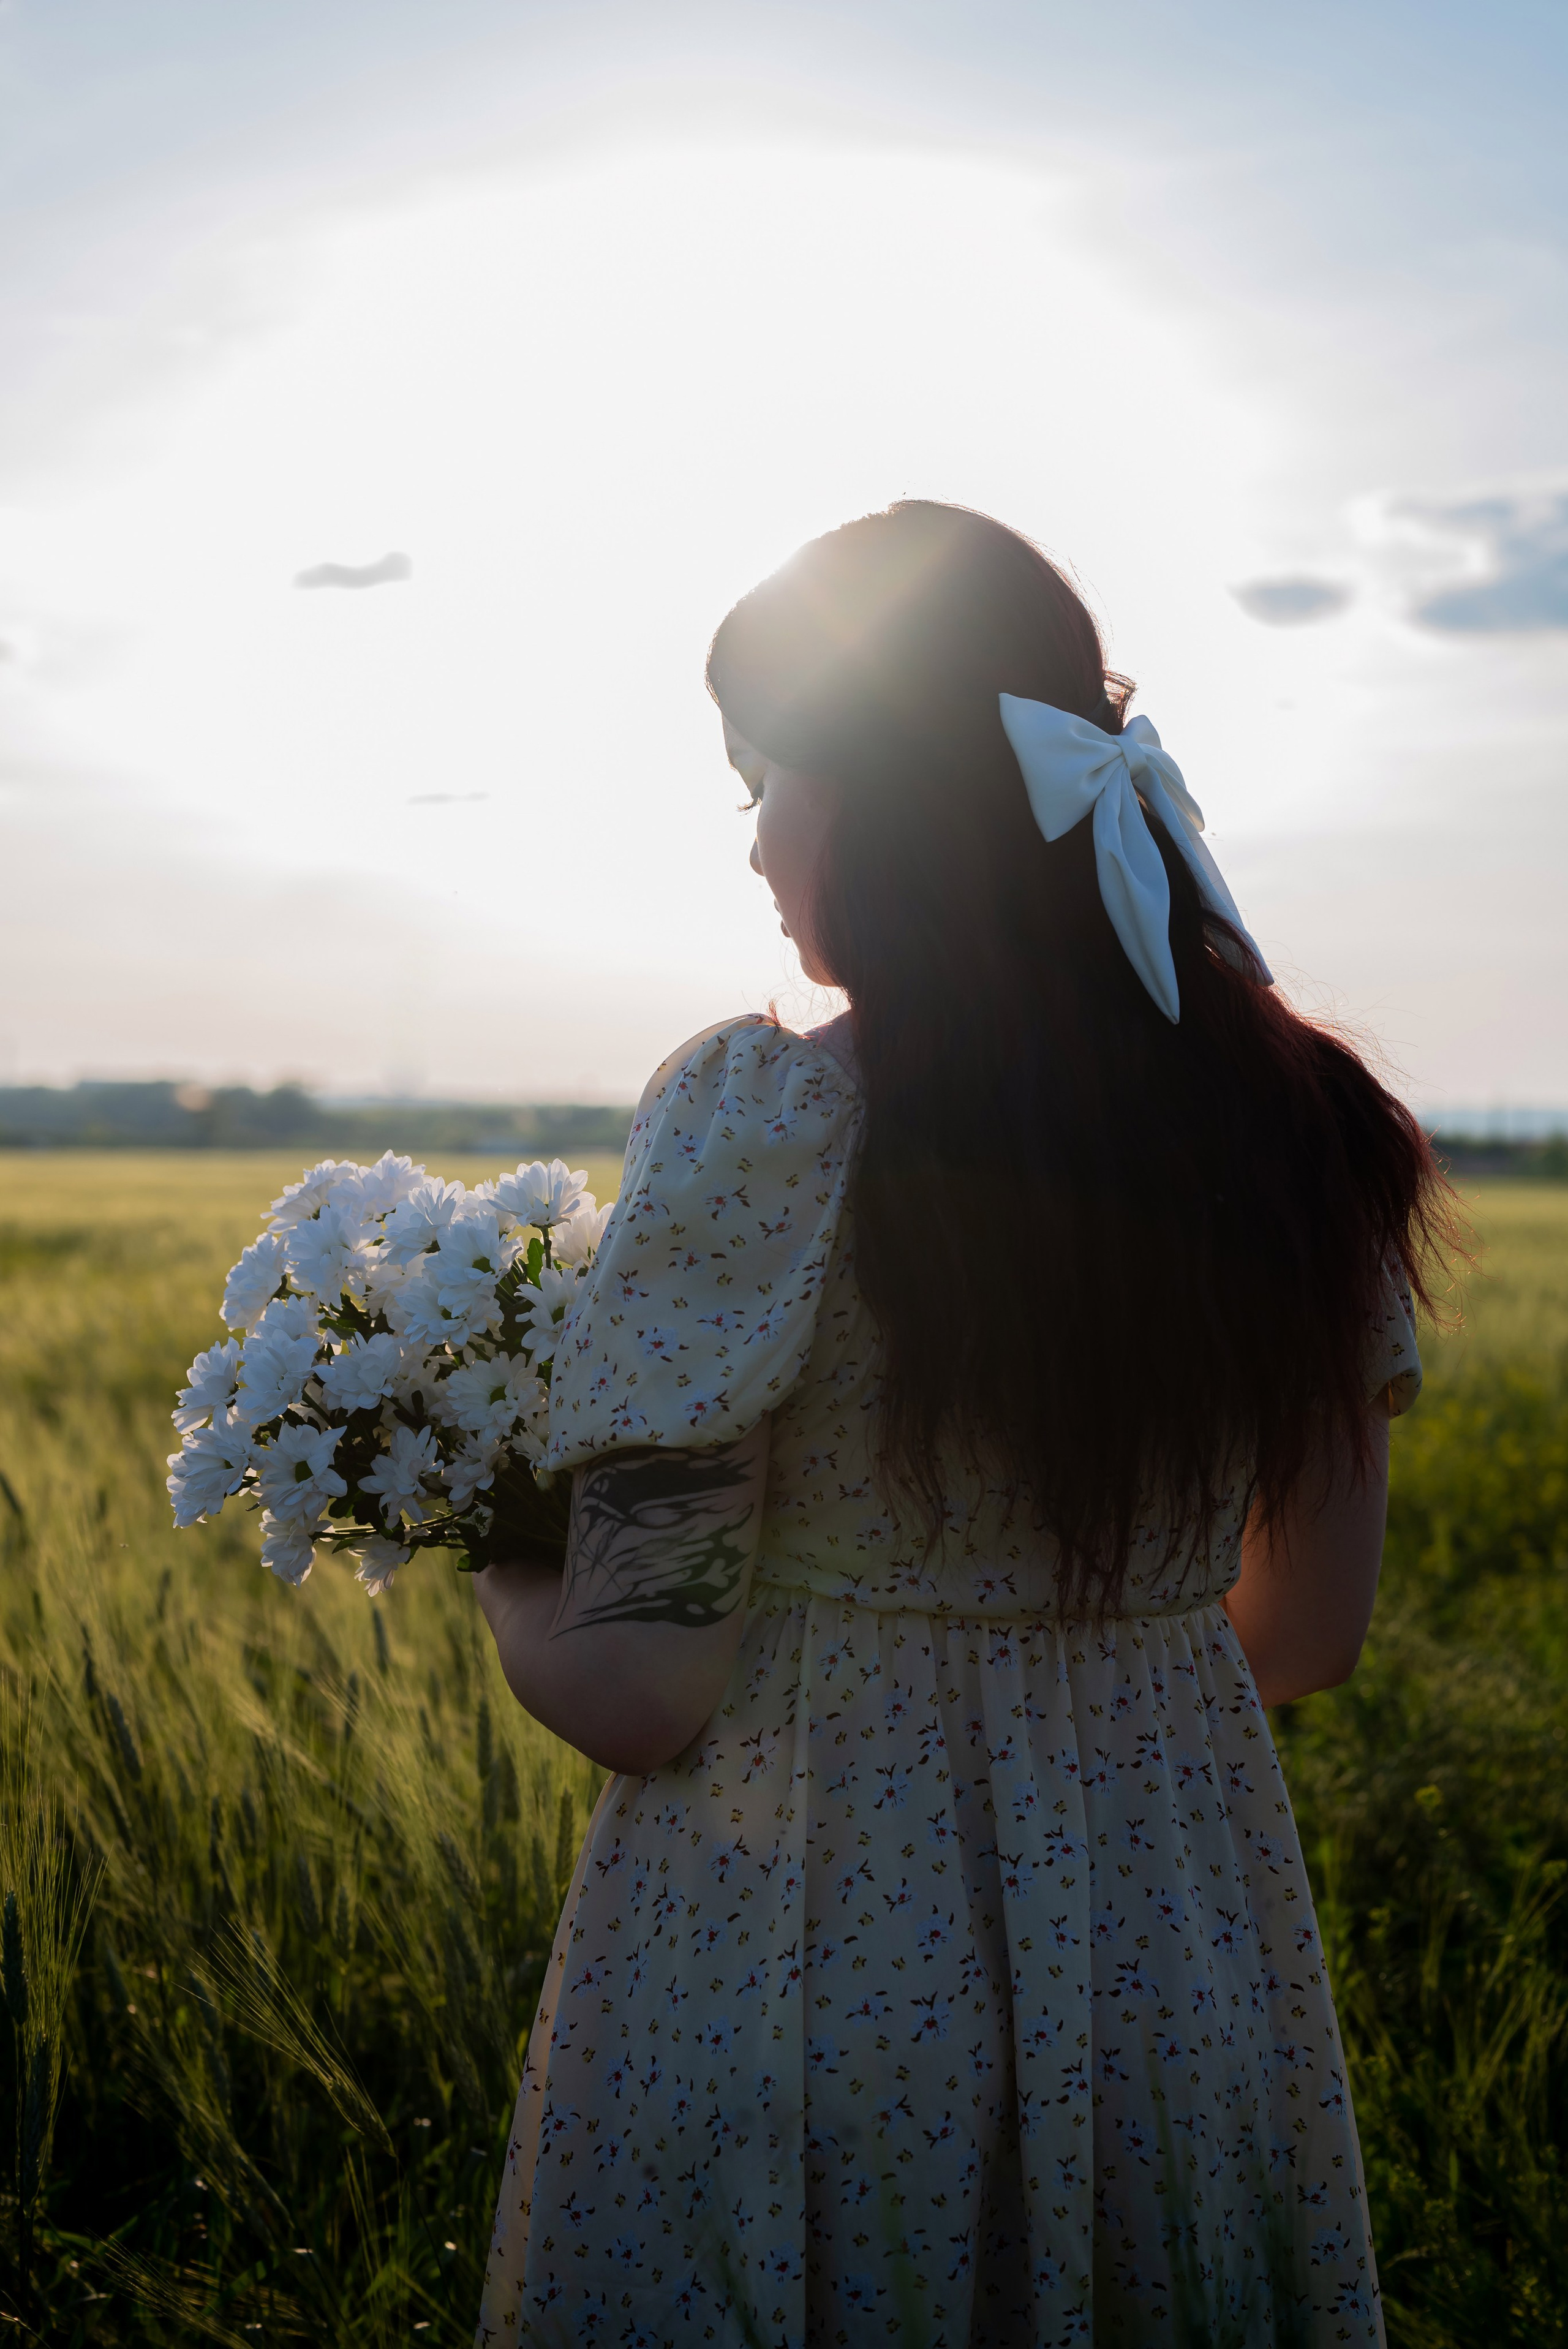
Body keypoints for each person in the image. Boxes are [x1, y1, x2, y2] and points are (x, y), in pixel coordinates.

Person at [472, 501, 1444, 2348]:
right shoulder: (1305, 1129)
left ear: (889, 800)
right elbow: (1305, 1635)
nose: (756, 842)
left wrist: (502, 1543)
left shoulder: (763, 1124)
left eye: (769, 776)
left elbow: (641, 1686)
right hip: (1178, 1963)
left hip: (809, 1963)